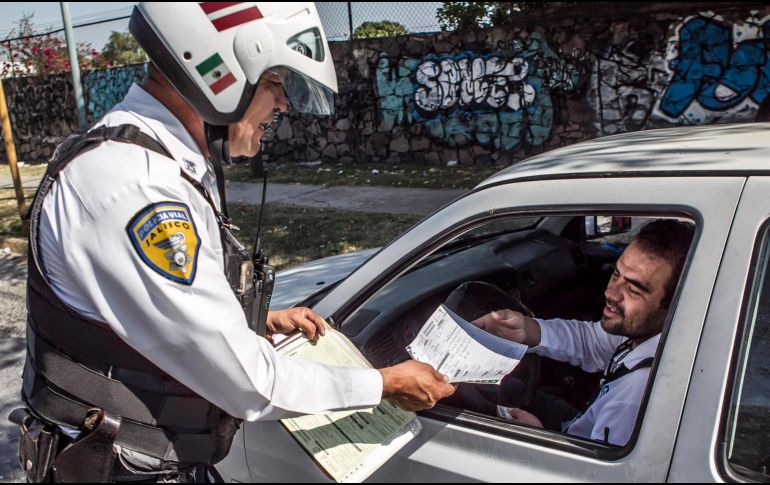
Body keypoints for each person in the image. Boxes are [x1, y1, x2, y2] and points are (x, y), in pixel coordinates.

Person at [14, 3, 454, 482]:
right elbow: (249, 382)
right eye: (275, 83)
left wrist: (254, 319)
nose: (282, 105)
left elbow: (142, 312)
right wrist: (383, 384)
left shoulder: (157, 163)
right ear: (218, 73)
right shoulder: (135, 186)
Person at [472, 219, 694, 446]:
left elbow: (591, 466)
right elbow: (593, 342)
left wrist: (539, 437)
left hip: (568, 449)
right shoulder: (651, 335)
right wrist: (528, 330)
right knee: (517, 392)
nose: (611, 293)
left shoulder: (633, 399)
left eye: (634, 290)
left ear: (673, 306)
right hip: (579, 425)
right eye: (616, 274)